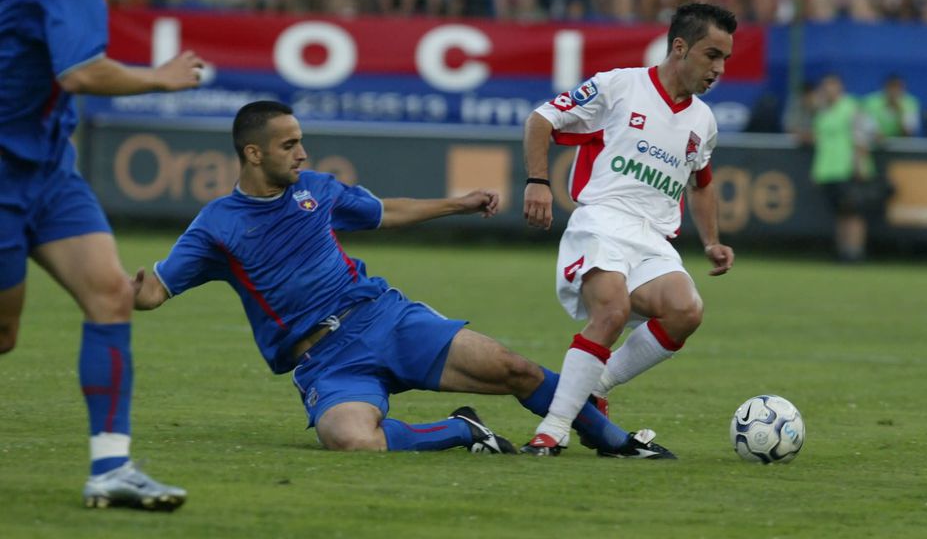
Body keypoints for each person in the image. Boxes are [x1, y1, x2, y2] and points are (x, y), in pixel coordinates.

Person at [130, 101, 668, 459]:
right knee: (350, 440)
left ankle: (618, 443)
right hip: (325, 358)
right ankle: (464, 430)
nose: (302, 153)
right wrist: (126, 288)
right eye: (289, 144)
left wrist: (456, 205)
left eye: (301, 142)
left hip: (382, 317)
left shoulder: (316, 188)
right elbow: (155, 290)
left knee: (514, 368)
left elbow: (384, 211)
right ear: (253, 153)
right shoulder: (217, 227)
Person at [0, 0, 206, 511]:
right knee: (3, 333)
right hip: (5, 171)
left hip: (48, 172)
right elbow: (81, 72)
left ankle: (111, 468)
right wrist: (159, 76)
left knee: (112, 295)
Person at [520, 2, 737, 455]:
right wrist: (537, 182)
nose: (718, 69)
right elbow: (541, 119)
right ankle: (553, 429)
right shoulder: (618, 85)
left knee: (687, 310)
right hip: (601, 221)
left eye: (725, 59)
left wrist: (712, 241)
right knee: (612, 311)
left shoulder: (704, 121)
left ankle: (594, 384)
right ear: (680, 47)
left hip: (652, 238)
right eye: (711, 55)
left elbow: (701, 184)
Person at [810, 73, 882, 263]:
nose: (828, 91)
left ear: (840, 88)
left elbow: (866, 136)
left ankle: (855, 251)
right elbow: (820, 140)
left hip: (848, 169)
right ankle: (843, 251)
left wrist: (859, 164)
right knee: (840, 213)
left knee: (854, 212)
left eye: (832, 87)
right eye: (825, 87)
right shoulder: (823, 111)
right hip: (829, 171)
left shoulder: (851, 108)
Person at [861, 74, 920, 138]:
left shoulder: (910, 103)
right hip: (874, 144)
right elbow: (868, 128)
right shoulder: (871, 102)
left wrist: (900, 111)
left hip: (902, 145)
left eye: (898, 87)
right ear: (884, 87)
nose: (894, 91)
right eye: (891, 87)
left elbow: (909, 132)